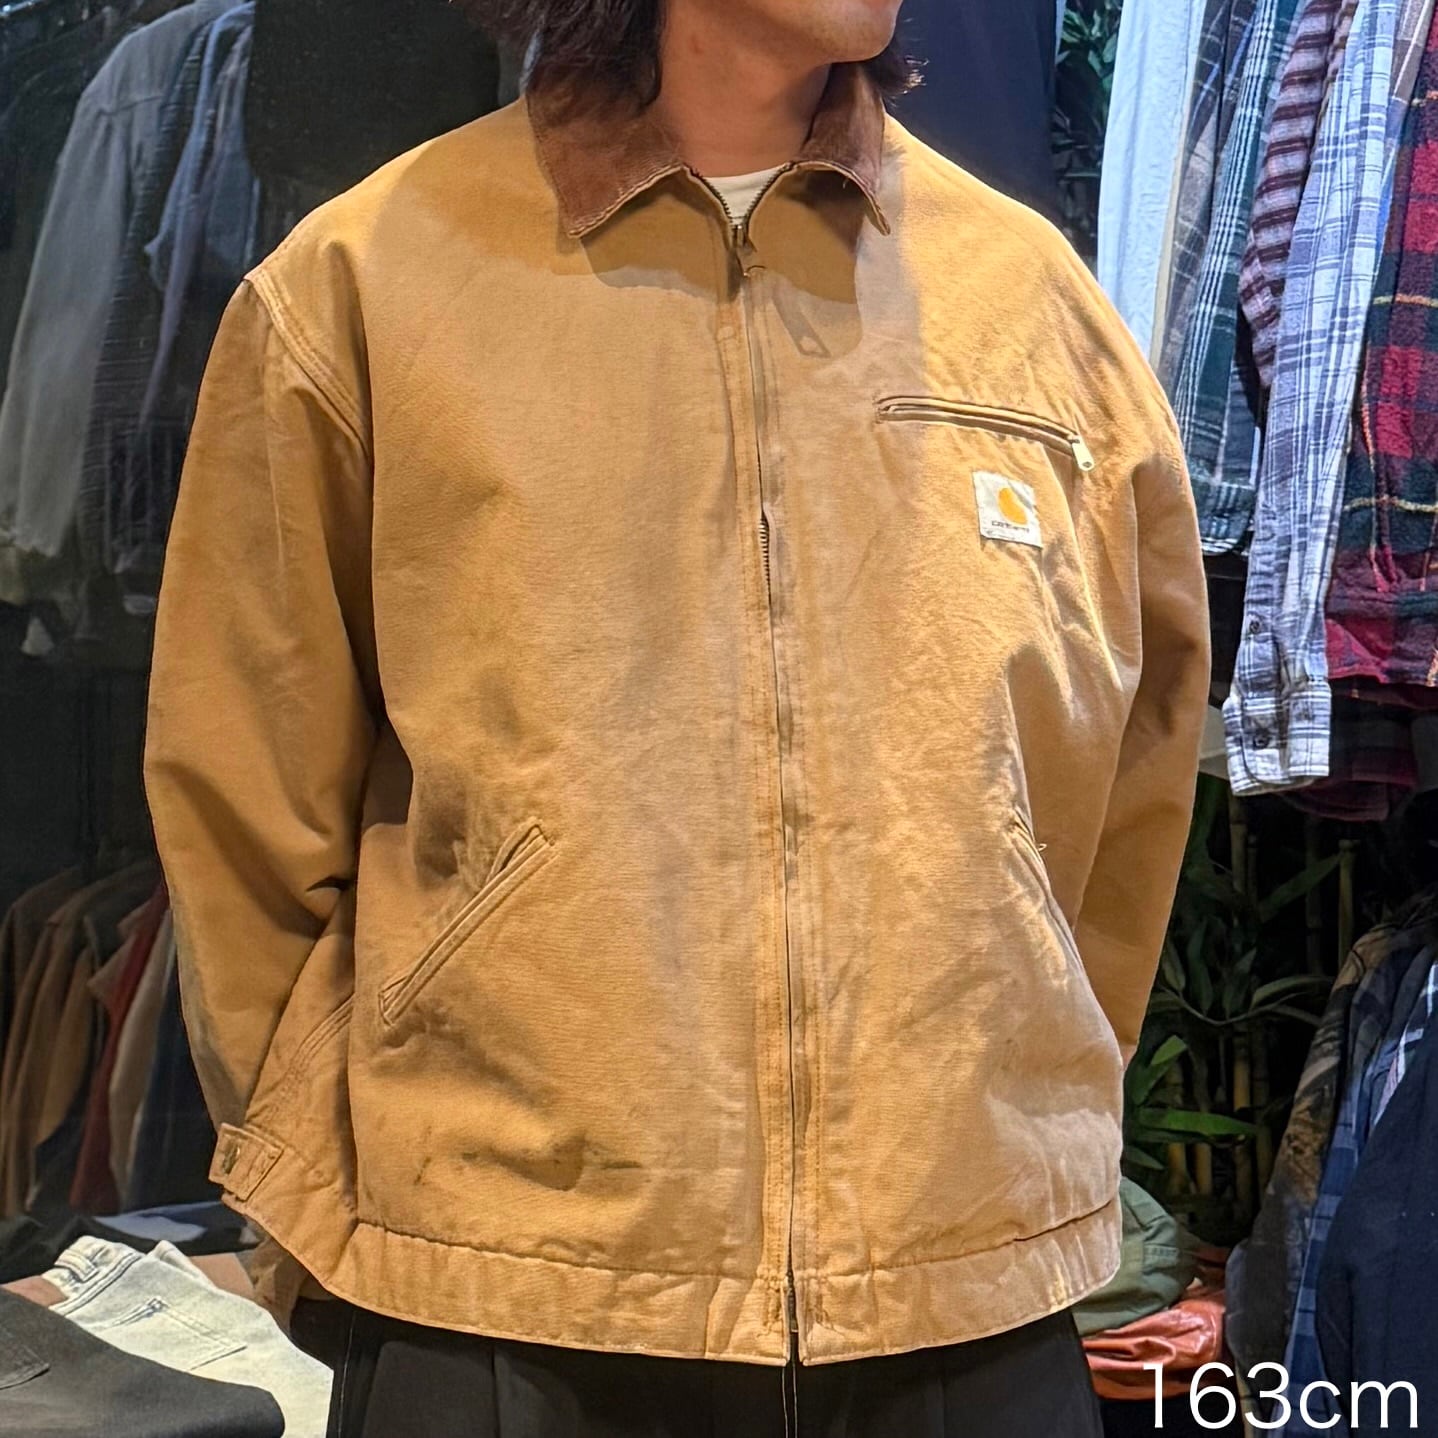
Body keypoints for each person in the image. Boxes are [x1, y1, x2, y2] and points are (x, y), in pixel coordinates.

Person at [143, 0, 1211, 1433]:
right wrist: (350, 1209)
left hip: (963, 1299)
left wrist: (999, 1126)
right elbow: (246, 804)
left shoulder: (1030, 303)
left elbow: (1126, 778)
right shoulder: (365, 285)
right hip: (511, 1294)